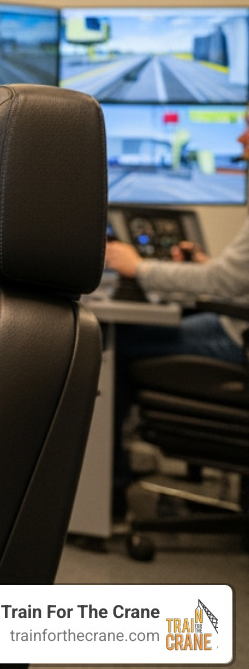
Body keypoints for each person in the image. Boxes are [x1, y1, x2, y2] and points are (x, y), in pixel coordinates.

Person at [103, 111, 249, 516]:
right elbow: (234, 278)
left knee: (115, 345)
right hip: (235, 323)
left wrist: (139, 268)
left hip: (236, 338)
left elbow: (224, 281)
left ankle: (110, 489)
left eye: (248, 128)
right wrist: (201, 264)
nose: (240, 140)